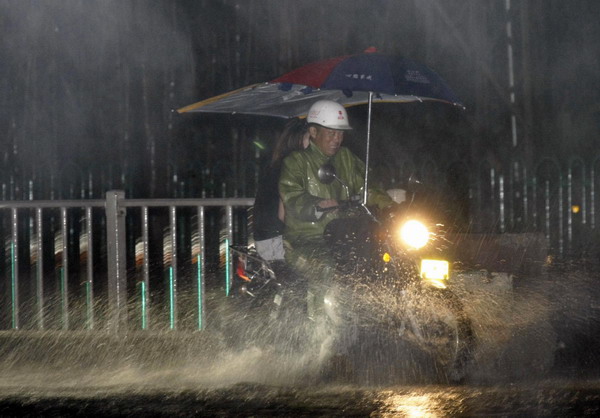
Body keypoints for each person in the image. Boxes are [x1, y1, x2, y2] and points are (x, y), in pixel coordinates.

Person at [278, 100, 393, 317]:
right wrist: (316, 205)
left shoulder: (347, 158)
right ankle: (319, 330)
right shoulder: (296, 162)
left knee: (380, 258)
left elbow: (366, 187)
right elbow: (292, 197)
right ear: (313, 131)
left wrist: (390, 205)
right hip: (307, 239)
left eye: (340, 134)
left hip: (344, 234)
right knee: (326, 267)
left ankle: (369, 318)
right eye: (331, 133)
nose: (337, 139)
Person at [253, 118, 309, 261]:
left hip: (265, 238)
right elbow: (284, 213)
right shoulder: (292, 166)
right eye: (311, 138)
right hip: (277, 241)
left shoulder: (278, 164)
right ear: (298, 139)